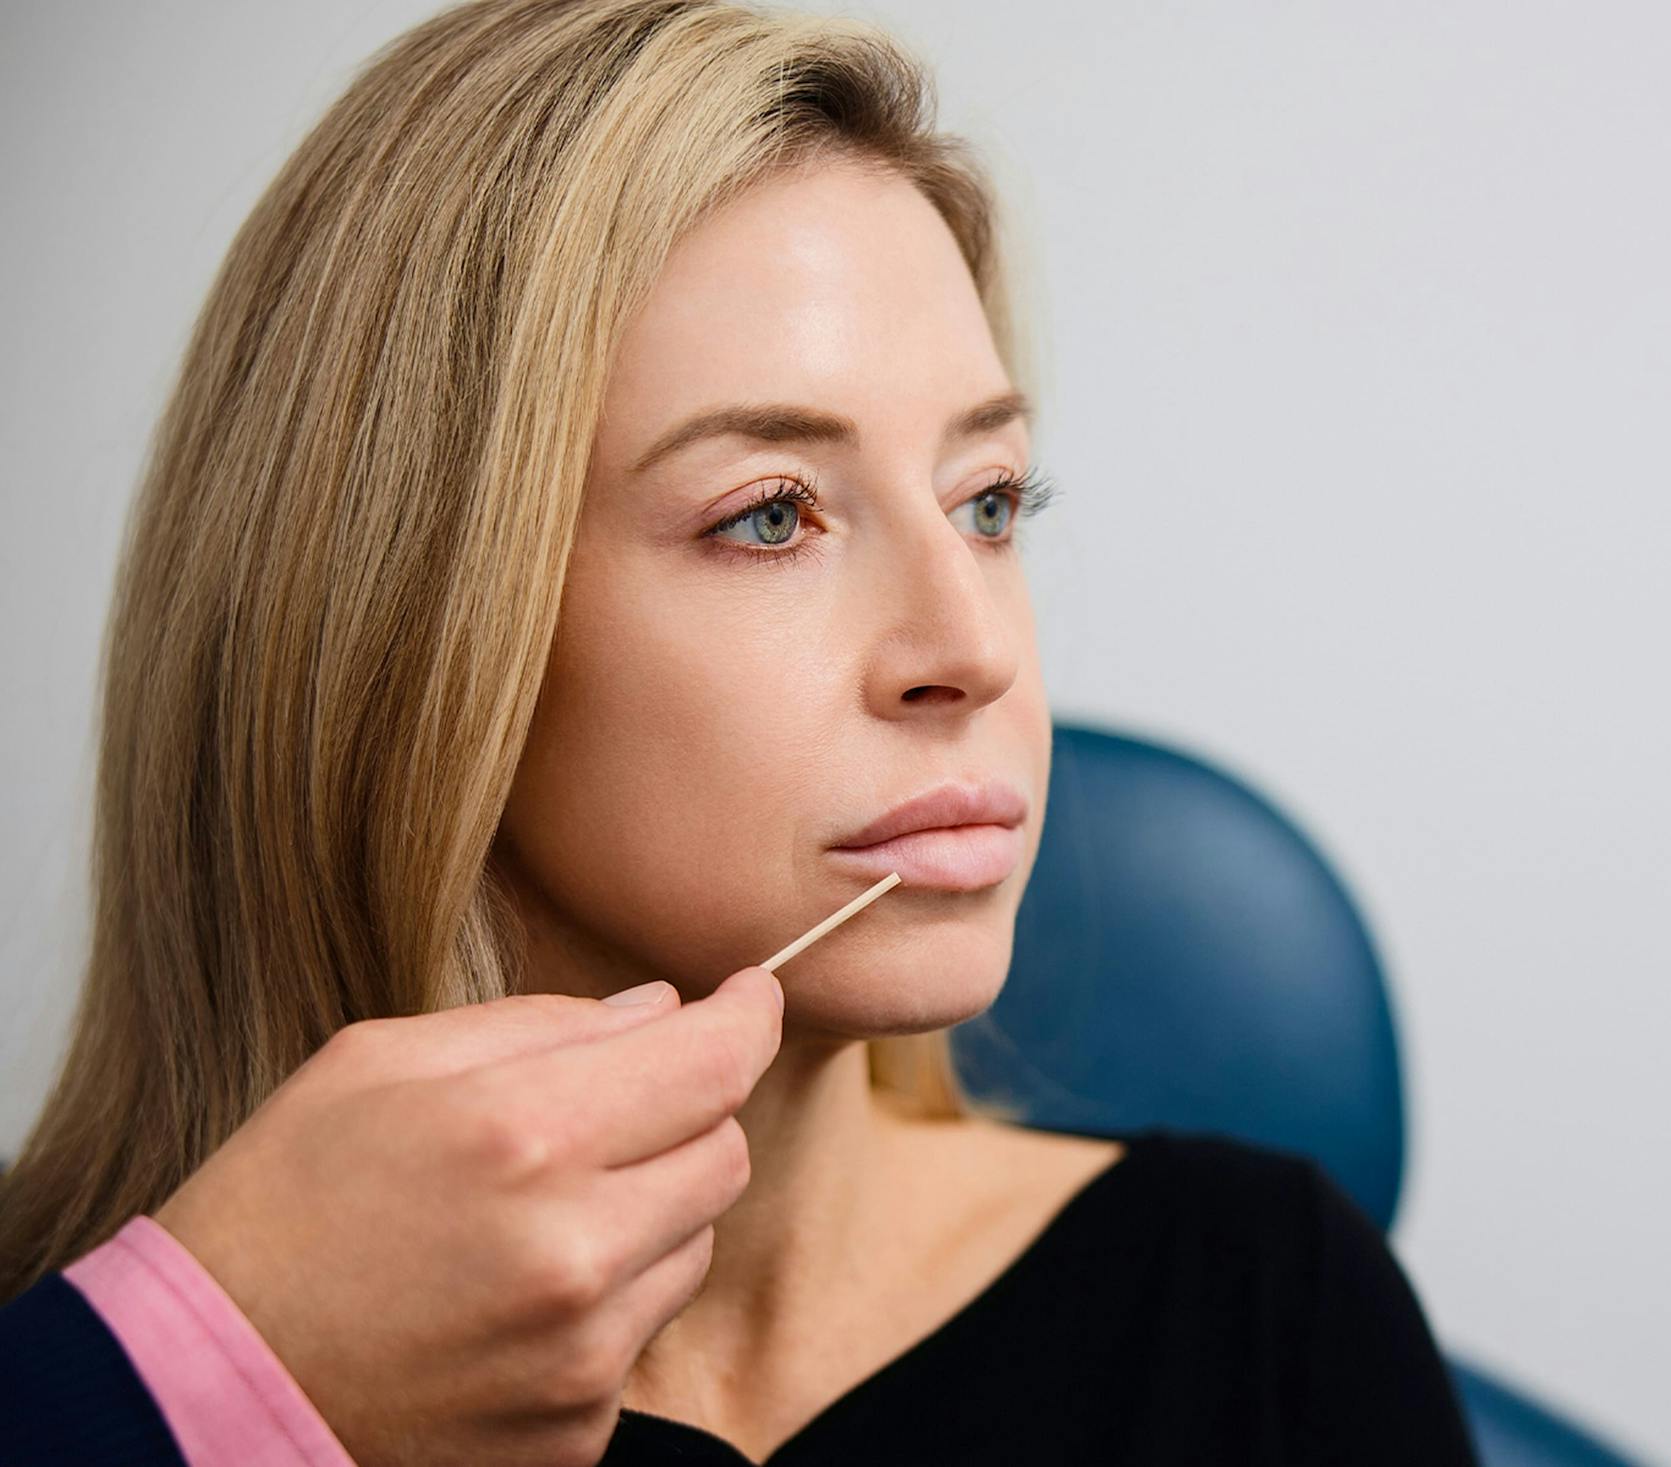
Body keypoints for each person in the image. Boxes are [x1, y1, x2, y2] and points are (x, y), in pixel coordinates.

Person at [0, 2, 1480, 1464]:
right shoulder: (79, 1370)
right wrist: (215, 1385)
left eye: (989, 501)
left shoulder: (1269, 1309)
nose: (971, 650)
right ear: (411, 626)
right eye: (770, 515)